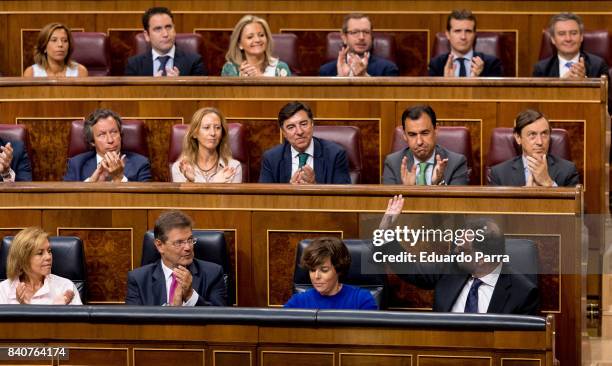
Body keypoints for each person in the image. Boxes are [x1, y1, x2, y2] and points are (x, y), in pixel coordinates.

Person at [378, 195, 539, 314]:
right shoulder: (451, 267)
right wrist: (384, 232)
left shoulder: (523, 293)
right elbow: (411, 269)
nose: (455, 252)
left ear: (482, 259)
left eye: (462, 250)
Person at [125, 211, 226, 306]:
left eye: (190, 240)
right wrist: (170, 311)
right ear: (159, 245)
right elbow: (133, 322)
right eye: (179, 242)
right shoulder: (138, 279)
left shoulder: (213, 274)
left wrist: (190, 296)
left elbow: (221, 319)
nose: (188, 247)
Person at [259, 101, 351, 184]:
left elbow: (343, 199)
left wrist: (314, 186)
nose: (299, 132)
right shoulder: (271, 158)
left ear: (312, 124)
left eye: (303, 124)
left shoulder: (335, 155)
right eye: (291, 127)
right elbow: (264, 199)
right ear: (284, 133)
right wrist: (289, 191)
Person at [489, 109, 579, 187]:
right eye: (532, 135)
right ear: (518, 138)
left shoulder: (568, 170)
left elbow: (580, 206)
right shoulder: (499, 174)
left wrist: (549, 183)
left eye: (544, 134)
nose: (540, 142)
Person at [382, 105, 468, 185]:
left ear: (436, 130)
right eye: (412, 135)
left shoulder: (456, 163)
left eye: (425, 133)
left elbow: (457, 201)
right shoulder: (393, 163)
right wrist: (407, 190)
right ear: (404, 135)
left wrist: (439, 184)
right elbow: (387, 200)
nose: (419, 142)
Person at [284, 237, 377, 310]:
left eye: (324, 270)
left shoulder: (362, 300)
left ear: (338, 269)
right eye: (312, 270)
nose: (316, 276)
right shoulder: (297, 302)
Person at [63, 109, 152, 182]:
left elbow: (147, 201)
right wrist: (90, 183)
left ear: (120, 135)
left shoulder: (140, 164)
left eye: (114, 132)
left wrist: (119, 179)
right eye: (102, 134)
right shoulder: (76, 164)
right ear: (92, 141)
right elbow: (65, 200)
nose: (110, 140)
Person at [0, 227, 81, 305]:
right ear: (23, 258)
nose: (48, 257)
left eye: (49, 251)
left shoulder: (65, 287)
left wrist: (60, 309)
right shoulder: (3, 290)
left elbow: (79, 318)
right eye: (40, 253)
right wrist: (22, 307)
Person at [125, 7, 206, 76]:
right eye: (158, 29)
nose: (165, 34)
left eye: (168, 27)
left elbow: (201, 93)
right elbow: (130, 94)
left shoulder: (194, 62)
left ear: (174, 29)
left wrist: (180, 86)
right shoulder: (134, 65)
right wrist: (151, 88)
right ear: (147, 35)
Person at [171, 107, 242, 183]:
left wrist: (195, 182)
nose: (213, 133)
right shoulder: (180, 168)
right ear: (195, 133)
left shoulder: (233, 167)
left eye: (217, 128)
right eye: (206, 127)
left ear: (222, 134)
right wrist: (191, 180)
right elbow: (181, 196)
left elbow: (233, 196)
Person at [428, 10, 503, 77]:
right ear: (447, 34)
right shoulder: (436, 65)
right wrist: (446, 83)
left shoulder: (491, 64)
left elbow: (497, 92)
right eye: (457, 31)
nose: (463, 37)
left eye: (468, 31)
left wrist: (476, 81)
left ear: (474, 34)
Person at [320, 13, 399, 77]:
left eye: (366, 32)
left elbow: (389, 96)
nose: (361, 37)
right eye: (355, 32)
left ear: (371, 37)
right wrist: (340, 79)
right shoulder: (326, 71)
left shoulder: (388, 69)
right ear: (344, 38)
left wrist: (365, 77)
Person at [533, 12, 608, 79]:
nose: (568, 39)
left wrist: (585, 80)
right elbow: (537, 94)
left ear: (581, 36)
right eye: (562, 34)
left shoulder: (598, 66)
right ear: (553, 39)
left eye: (573, 33)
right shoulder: (541, 69)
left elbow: (605, 94)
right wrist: (561, 84)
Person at [221, 15, 291, 77]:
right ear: (240, 44)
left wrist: (259, 79)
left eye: (261, 35)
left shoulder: (281, 68)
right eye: (250, 37)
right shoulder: (230, 69)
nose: (257, 40)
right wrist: (241, 82)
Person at [23, 23, 88, 78]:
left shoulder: (80, 71)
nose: (60, 44)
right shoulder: (31, 73)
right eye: (54, 40)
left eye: (65, 40)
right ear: (44, 47)